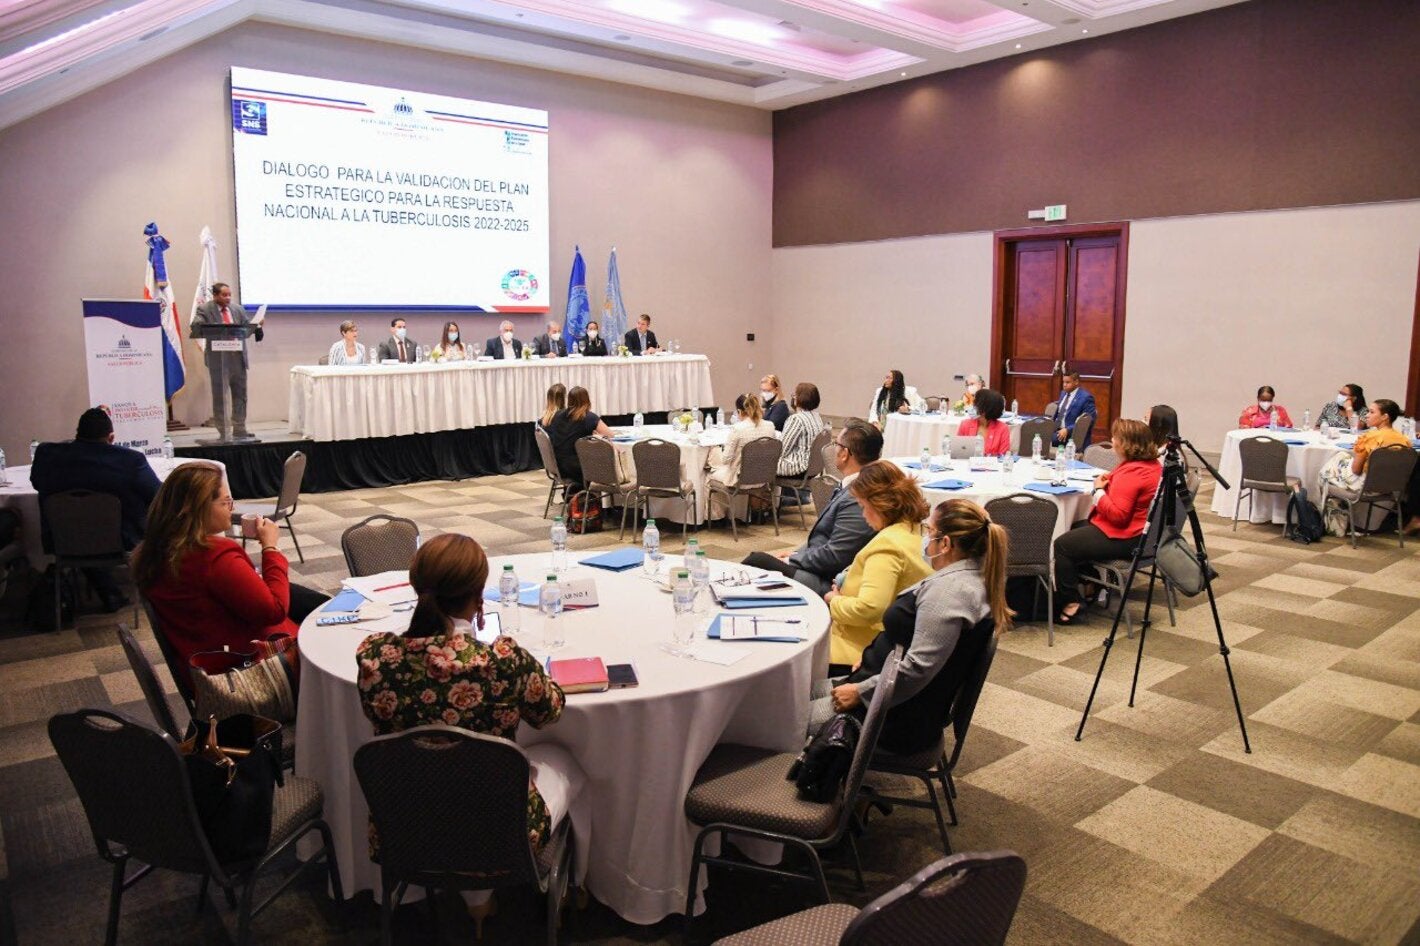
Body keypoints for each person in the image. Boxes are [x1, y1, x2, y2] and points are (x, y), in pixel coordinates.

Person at [356, 533, 586, 932]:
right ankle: (580, 886)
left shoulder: (376, 657)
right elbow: (550, 712)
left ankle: (473, 898)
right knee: (568, 760)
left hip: (406, 824)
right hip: (499, 831)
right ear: (479, 596)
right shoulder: (501, 659)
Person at [811, 499, 1012, 755]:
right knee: (797, 693)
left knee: (784, 719)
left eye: (930, 532)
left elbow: (919, 668)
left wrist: (861, 692)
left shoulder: (950, 593)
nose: (925, 539)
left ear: (946, 544)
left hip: (888, 714)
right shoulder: (968, 575)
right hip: (882, 687)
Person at [133, 462, 328, 667]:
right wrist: (270, 548)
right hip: (248, 668)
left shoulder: (155, 551)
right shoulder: (215, 555)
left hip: (200, 661)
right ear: (198, 507)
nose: (231, 508)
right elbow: (274, 611)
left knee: (311, 601)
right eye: (225, 502)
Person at [30, 407, 161, 611]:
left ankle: (108, 591)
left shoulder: (47, 454)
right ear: (111, 437)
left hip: (63, 539)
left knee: (82, 521)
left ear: (77, 434)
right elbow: (158, 495)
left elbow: (37, 483)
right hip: (119, 540)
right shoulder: (130, 461)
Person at [742, 419, 879, 596]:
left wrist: (793, 559)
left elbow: (836, 557)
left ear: (845, 453)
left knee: (756, 561)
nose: (834, 449)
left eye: (836, 444)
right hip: (818, 563)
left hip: (828, 582)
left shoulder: (859, 496)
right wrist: (796, 553)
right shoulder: (857, 484)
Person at [1052, 419, 1162, 624]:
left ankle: (1070, 601)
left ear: (1128, 444)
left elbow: (1118, 516)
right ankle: (1092, 585)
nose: (1112, 440)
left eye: (1116, 438)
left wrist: (1098, 491)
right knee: (1076, 527)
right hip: (1141, 534)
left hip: (1127, 538)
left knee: (1063, 545)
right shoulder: (1150, 465)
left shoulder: (1133, 472)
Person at [825, 461, 932, 669]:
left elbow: (869, 609)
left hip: (855, 650)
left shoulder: (888, 545)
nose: (863, 516)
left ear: (879, 504)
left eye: (864, 507)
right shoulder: (917, 530)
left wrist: (834, 601)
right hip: (890, 644)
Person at [190, 282, 254, 439]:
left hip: (237, 358)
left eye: (229, 295)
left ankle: (240, 428)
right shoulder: (205, 309)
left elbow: (246, 327)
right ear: (215, 295)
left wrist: (257, 326)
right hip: (219, 360)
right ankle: (224, 430)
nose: (228, 298)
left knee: (240, 395)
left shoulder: (238, 309)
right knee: (220, 396)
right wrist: (202, 324)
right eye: (224, 295)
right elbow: (196, 324)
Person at [707, 391, 776, 519]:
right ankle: (742, 514)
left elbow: (726, 460)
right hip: (762, 479)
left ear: (739, 411)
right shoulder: (770, 426)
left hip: (739, 481)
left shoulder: (738, 429)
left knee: (708, 476)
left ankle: (717, 517)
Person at [1320, 399, 1409, 493]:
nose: (1367, 415)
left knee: (1332, 465)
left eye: (1371, 412)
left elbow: (1356, 470)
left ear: (1384, 417)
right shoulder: (1404, 440)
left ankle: (1328, 503)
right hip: (1392, 487)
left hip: (1365, 486)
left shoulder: (1369, 437)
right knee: (1341, 457)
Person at [545, 386, 612, 494]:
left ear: (569, 400)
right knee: (608, 462)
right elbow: (610, 435)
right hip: (579, 469)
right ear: (587, 400)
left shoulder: (557, 415)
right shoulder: (589, 417)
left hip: (559, 467)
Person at [776, 382, 827, 477]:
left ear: (801, 397)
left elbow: (782, 449)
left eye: (795, 394)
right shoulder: (817, 417)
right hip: (813, 466)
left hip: (799, 467)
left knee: (762, 463)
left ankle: (760, 490)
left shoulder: (797, 419)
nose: (793, 397)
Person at [956, 389, 1011, 456]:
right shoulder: (965, 424)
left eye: (975, 404)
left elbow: (1003, 456)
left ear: (986, 409)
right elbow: (958, 453)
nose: (973, 406)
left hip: (993, 466)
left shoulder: (1003, 428)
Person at [1052, 369, 1097, 447]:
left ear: (1076, 382)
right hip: (1057, 431)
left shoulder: (1086, 398)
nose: (1064, 385)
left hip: (1071, 436)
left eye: (1067, 382)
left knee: (1043, 440)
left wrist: (1067, 430)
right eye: (1063, 382)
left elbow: (1087, 421)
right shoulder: (1063, 393)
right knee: (1034, 433)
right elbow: (1059, 414)